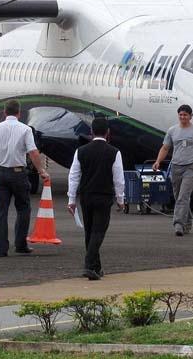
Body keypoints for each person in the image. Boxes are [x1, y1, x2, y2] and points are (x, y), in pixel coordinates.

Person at [0, 99, 49, 257]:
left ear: (5, 112)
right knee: (23, 208)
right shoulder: (25, 129)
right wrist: (41, 170)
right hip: (18, 173)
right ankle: (20, 244)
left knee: (0, 212)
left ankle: (1, 248)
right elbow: (33, 152)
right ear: (19, 113)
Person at [67, 117, 125, 280]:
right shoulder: (114, 152)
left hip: (86, 196)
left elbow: (74, 176)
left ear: (91, 132)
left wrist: (71, 199)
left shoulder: (81, 151)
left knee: (89, 231)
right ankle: (89, 265)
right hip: (104, 196)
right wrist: (121, 199)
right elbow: (118, 179)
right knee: (99, 231)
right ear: (108, 133)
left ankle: (95, 267)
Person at [153, 104, 193, 237]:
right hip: (176, 167)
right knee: (180, 197)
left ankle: (178, 224)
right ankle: (188, 222)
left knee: (183, 197)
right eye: (181, 115)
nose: (183, 117)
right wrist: (158, 161)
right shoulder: (172, 131)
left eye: (185, 115)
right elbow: (165, 148)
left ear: (191, 116)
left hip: (191, 167)